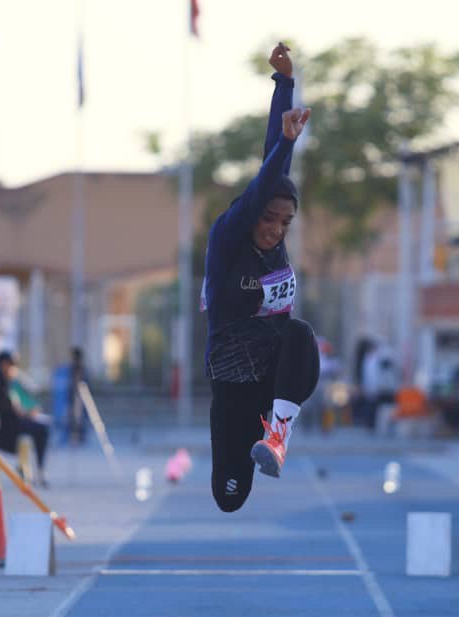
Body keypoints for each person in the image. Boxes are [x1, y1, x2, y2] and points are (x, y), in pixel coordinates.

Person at [200, 42, 318, 513]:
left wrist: (284, 84)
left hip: (272, 365)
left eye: (285, 223)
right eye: (269, 219)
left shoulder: (278, 234)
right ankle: (247, 454)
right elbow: (269, 173)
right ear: (253, 216)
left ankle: (278, 436)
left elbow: (278, 171)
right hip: (232, 380)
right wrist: (284, 138)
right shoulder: (229, 238)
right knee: (230, 496)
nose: (275, 229)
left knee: (301, 335)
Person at [0, 350, 50, 485]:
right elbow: (10, 410)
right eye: (12, 366)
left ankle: (27, 468)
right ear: (4, 365)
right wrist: (29, 414)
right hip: (6, 430)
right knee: (42, 429)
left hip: (8, 425)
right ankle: (39, 471)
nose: (14, 370)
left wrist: (27, 413)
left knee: (37, 427)